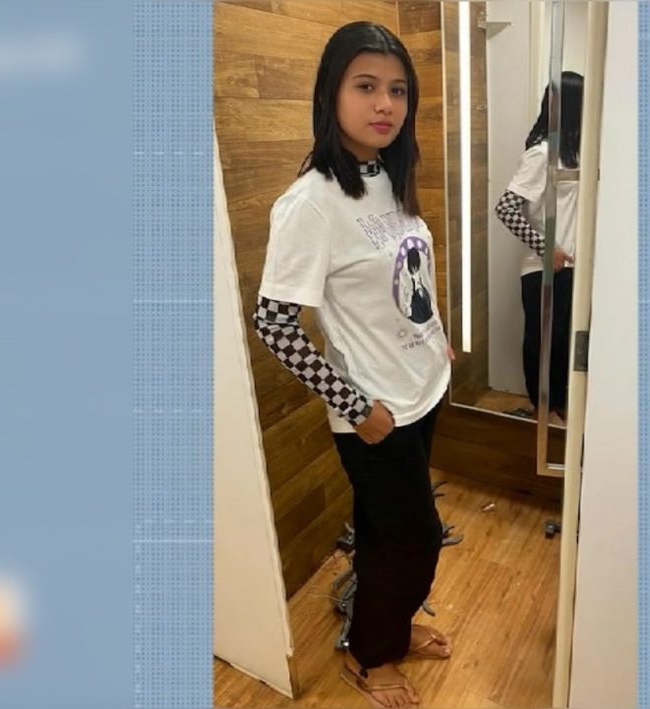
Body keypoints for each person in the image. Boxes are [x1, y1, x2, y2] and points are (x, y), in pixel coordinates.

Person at [253, 21, 454, 709]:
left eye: (397, 90)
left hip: (422, 389)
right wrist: (356, 406)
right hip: (376, 410)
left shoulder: (387, 175)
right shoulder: (311, 202)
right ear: (330, 94)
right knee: (417, 539)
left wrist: (435, 338)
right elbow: (274, 324)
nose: (385, 104)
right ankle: (372, 657)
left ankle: (388, 627)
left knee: (381, 531)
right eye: (366, 86)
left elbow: (404, 276)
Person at [494, 71, 584, 426]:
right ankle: (542, 412)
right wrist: (548, 249)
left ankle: (556, 408)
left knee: (564, 342)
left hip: (574, 268)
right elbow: (506, 209)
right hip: (544, 267)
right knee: (543, 342)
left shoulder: (575, 154)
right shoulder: (541, 154)